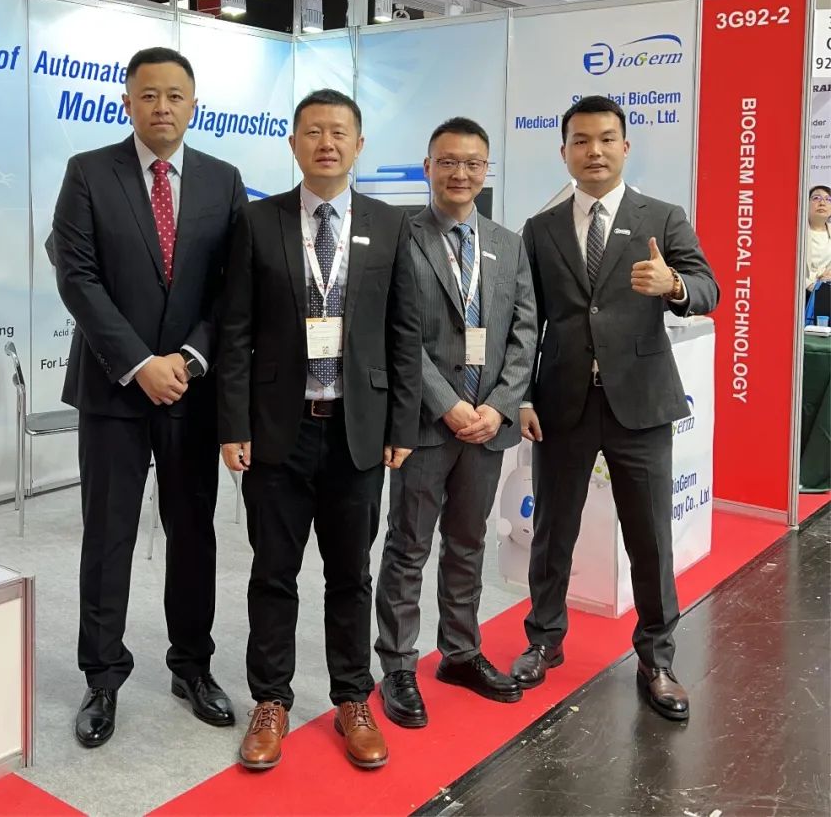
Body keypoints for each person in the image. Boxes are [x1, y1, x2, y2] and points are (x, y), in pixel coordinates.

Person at [218, 88, 421, 771]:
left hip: (356, 432)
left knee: (350, 574)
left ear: (359, 144)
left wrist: (402, 422)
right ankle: (270, 700)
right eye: (312, 131)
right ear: (294, 143)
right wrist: (232, 423)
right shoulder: (258, 220)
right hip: (278, 430)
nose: (326, 143)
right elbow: (236, 330)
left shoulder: (391, 225)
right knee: (273, 571)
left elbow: (404, 332)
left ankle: (352, 697)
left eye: (338, 132)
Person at [53, 46, 247, 747]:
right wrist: (138, 362)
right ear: (127, 102)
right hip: (114, 389)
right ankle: (102, 677)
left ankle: (191, 665)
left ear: (193, 105)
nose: (162, 106)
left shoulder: (223, 180)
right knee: (108, 534)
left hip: (192, 393)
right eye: (149, 94)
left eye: (174, 95)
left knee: (193, 533)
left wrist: (189, 358)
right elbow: (76, 275)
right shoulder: (88, 172)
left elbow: (231, 286)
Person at [514, 95, 718, 722]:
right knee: (552, 531)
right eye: (581, 141)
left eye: (606, 139)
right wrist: (523, 394)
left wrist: (674, 285)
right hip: (562, 403)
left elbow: (708, 287)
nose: (594, 151)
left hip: (641, 403)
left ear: (625, 147)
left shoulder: (663, 216)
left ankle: (656, 658)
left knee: (650, 537)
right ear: (565, 152)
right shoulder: (540, 228)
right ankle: (544, 639)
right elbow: (525, 320)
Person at [374, 117, 537, 728]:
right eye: (448, 162)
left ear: (486, 170)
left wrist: (497, 406)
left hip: (487, 425)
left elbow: (524, 332)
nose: (460, 173)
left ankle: (461, 653)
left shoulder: (508, 243)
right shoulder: (400, 236)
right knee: (408, 546)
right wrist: (447, 402)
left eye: (472, 163)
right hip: (424, 422)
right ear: (428, 167)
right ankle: (397, 665)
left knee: (469, 543)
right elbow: (396, 333)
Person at [804, 185, 831, 320]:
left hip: (826, 295)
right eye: (816, 198)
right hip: (799, 293)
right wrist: (810, 284)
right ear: (806, 203)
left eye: (828, 199)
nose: (822, 202)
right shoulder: (796, 231)